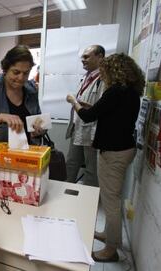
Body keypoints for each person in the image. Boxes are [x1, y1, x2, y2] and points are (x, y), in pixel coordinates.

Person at [66, 53, 144, 262]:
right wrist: (89, 106)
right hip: (122, 148)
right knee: (111, 197)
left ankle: (111, 249)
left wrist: (74, 102)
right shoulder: (129, 92)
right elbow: (108, 113)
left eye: (104, 70)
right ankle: (108, 234)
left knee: (110, 200)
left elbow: (87, 117)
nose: (103, 75)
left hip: (114, 152)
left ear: (113, 70)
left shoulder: (115, 91)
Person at [0, 45, 44, 164]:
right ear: (5, 69)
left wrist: (39, 130)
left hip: (22, 157)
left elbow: (37, 118)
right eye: (16, 72)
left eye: (26, 73)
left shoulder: (30, 90)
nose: (21, 78)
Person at [65, 45, 106, 187]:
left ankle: (87, 202)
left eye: (87, 56)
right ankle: (66, 194)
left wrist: (74, 101)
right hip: (78, 127)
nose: (83, 60)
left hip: (92, 132)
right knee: (71, 163)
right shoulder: (86, 77)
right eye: (82, 56)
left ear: (100, 57)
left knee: (91, 169)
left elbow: (102, 108)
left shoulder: (104, 79)